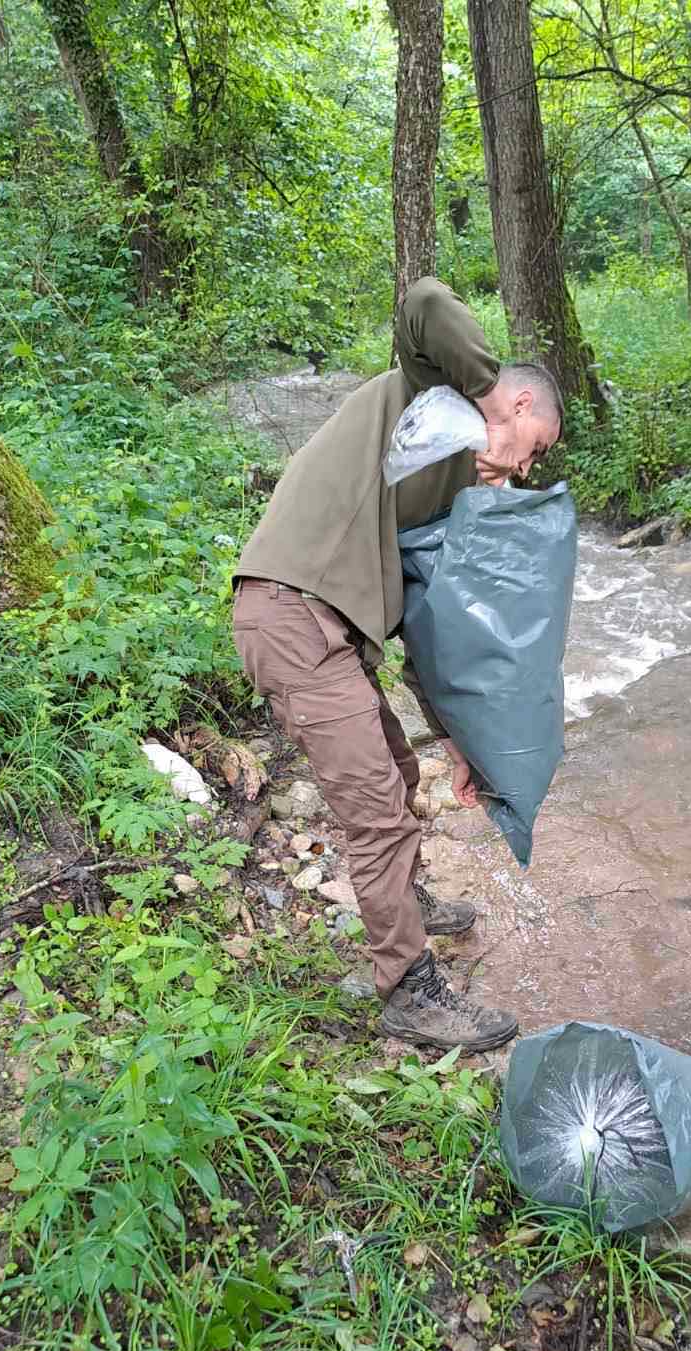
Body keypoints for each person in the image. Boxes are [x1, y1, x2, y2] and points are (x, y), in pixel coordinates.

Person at [232, 278, 563, 1051]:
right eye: (531, 448)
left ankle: (404, 902)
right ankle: (407, 991)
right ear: (514, 407)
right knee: (376, 808)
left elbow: (428, 625)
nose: (519, 471)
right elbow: (423, 301)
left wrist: (457, 744)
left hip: (330, 626)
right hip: (288, 609)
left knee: (399, 769)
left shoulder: (445, 484)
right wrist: (479, 395)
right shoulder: (433, 398)